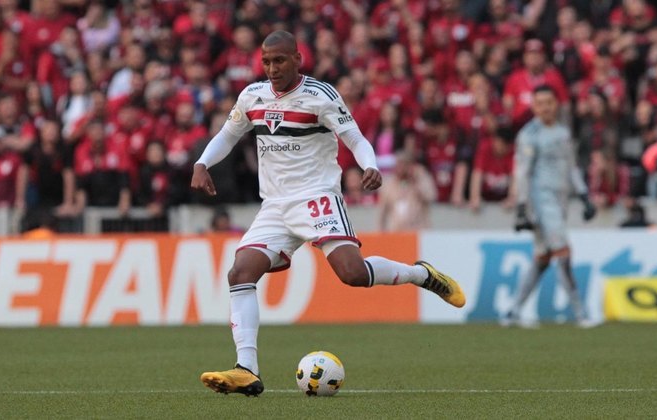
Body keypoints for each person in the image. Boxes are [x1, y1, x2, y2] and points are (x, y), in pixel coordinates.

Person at [191, 30, 465, 397]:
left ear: (298, 59)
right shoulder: (251, 95)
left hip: (316, 197)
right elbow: (227, 134)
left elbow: (355, 138)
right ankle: (247, 370)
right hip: (275, 205)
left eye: (280, 60)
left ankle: (421, 274)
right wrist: (202, 162)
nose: (272, 68)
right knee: (240, 272)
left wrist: (369, 164)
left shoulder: (320, 96)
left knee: (352, 274)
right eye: (267, 61)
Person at [503, 85, 598, 328]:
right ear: (533, 106)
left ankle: (513, 311)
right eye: (540, 103)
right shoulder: (529, 135)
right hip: (540, 202)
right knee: (564, 252)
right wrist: (522, 207)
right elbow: (522, 172)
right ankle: (581, 313)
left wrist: (584, 194)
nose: (545, 107)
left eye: (549, 102)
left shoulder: (563, 133)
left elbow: (571, 167)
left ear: (556, 104)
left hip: (560, 201)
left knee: (543, 258)